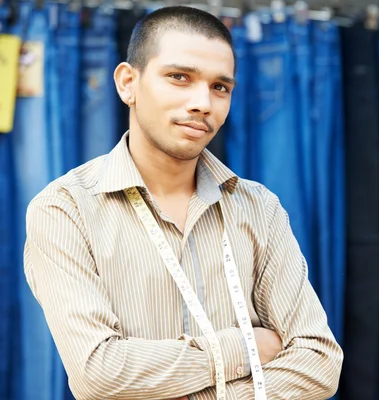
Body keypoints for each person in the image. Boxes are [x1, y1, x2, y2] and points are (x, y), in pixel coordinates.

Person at [23, 6, 343, 400]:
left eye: (220, 87)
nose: (203, 103)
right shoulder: (65, 209)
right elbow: (98, 373)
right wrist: (243, 349)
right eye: (180, 78)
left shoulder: (259, 208)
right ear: (128, 83)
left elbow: (319, 361)